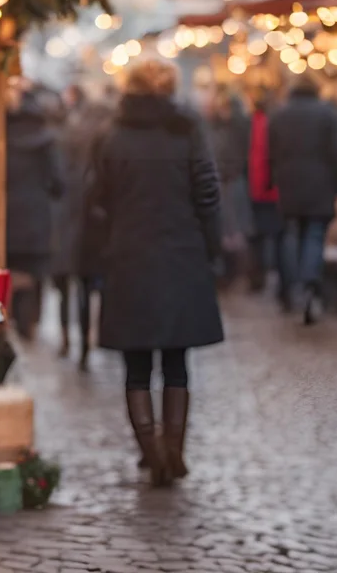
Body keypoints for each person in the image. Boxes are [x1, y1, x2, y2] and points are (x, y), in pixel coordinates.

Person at [89, 58, 224, 487]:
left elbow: (98, 199)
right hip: (181, 254)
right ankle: (173, 450)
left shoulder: (112, 136)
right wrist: (212, 246)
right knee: (177, 361)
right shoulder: (185, 131)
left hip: (129, 256)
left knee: (136, 365)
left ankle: (151, 452)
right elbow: (207, 191)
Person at [268, 76, 337, 322]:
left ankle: (293, 286)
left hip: (288, 182)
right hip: (320, 182)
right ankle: (310, 281)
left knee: (292, 233)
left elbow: (270, 152)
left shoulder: (279, 115)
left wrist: (272, 180)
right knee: (314, 233)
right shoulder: (327, 115)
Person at [51, 85, 113, 366]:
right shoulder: (108, 141)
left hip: (68, 219)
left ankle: (68, 338)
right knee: (93, 286)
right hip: (95, 224)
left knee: (68, 286)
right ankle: (92, 340)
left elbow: (58, 181)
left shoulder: (68, 137)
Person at [5, 85, 64, 339]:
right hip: (36, 216)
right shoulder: (46, 141)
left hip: (7, 215)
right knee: (34, 274)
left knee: (10, 270)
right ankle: (28, 323)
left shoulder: (1, 137)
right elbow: (58, 182)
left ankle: (11, 320)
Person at [206, 87, 252, 288]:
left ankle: (234, 273)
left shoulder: (239, 127)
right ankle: (224, 272)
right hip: (222, 183)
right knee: (226, 230)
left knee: (235, 231)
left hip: (232, 182)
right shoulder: (212, 128)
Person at [246, 89, 284, 296]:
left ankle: (256, 279)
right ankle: (283, 284)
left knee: (256, 237)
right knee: (280, 237)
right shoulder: (279, 124)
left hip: (256, 187)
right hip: (276, 189)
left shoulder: (251, 124)